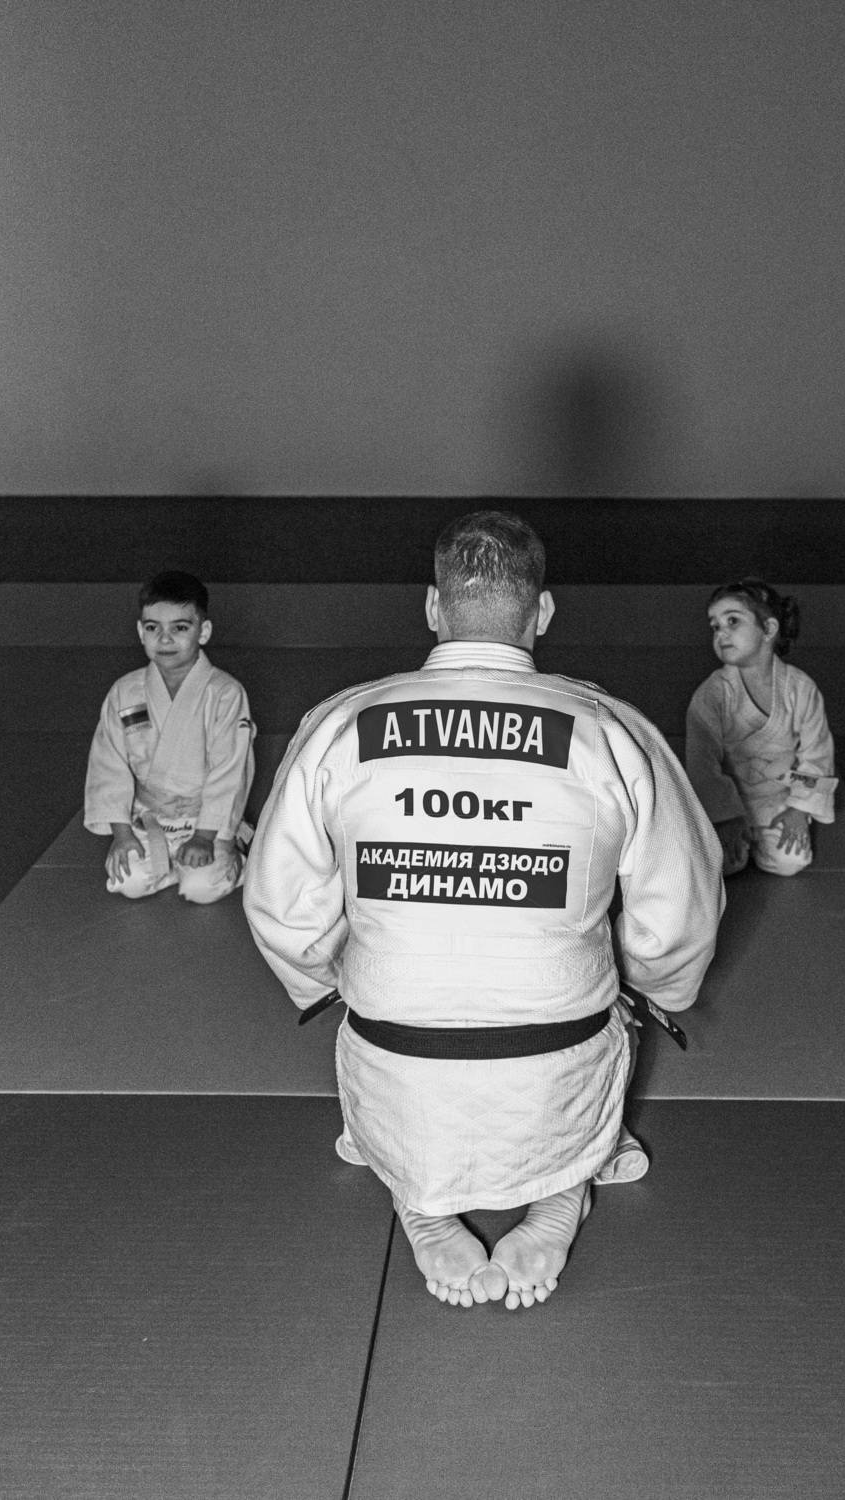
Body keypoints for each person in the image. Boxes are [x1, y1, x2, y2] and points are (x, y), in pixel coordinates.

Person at [244, 512, 722, 1311]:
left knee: (383, 1000)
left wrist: (329, 986)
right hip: (559, 1045)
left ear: (434, 607)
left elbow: (279, 906)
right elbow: (680, 913)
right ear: (543, 613)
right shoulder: (611, 729)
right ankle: (563, 1187)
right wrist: (654, 993)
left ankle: (419, 1196)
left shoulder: (342, 723)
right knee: (607, 989)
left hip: (395, 1047)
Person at [84, 570, 255, 903]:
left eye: (180, 628)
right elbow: (108, 764)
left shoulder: (225, 693)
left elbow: (231, 770)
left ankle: (232, 853)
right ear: (140, 632)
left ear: (203, 631)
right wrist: (121, 835)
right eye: (153, 628)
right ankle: (170, 861)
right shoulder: (125, 691)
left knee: (201, 889)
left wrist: (205, 837)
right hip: (149, 818)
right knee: (128, 882)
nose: (164, 640)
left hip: (205, 818)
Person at [685, 578, 837, 877]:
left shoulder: (800, 688)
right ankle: (727, 834)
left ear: (768, 629)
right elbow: (702, 764)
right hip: (728, 800)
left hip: (778, 799)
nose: (721, 633)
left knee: (790, 862)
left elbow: (816, 754)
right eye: (715, 626)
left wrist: (799, 809)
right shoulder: (712, 693)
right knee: (718, 865)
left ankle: (781, 824)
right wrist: (726, 817)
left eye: (732, 621)